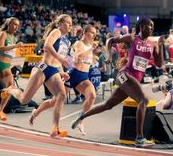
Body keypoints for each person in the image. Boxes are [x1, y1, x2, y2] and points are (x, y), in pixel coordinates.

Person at [70, 18, 164, 148]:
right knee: (143, 100)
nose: (152, 28)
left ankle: (82, 116)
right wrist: (109, 56)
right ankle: (139, 138)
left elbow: (159, 64)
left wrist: (160, 46)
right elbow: (110, 40)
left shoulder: (152, 44)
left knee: (108, 105)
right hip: (124, 75)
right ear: (142, 26)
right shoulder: (132, 38)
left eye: (153, 26)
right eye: (150, 26)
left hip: (134, 80)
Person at [2, 14, 72, 138]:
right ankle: (10, 90)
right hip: (43, 68)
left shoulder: (67, 41)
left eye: (72, 23)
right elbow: (47, 46)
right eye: (68, 22)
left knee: (61, 95)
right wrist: (60, 58)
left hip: (54, 70)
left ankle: (55, 128)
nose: (71, 25)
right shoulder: (56, 32)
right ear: (60, 23)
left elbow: (60, 59)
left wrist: (61, 72)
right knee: (24, 100)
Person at [29, 25, 98, 136]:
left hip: (84, 77)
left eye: (95, 33)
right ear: (85, 32)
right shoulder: (79, 44)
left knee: (92, 96)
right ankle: (35, 113)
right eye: (91, 32)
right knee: (54, 101)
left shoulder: (90, 46)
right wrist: (91, 49)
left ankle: (81, 120)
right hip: (73, 75)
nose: (94, 35)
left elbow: (87, 60)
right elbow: (77, 59)